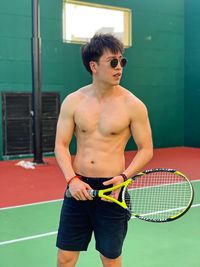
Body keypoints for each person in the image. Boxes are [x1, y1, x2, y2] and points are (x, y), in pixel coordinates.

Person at [55, 33, 153, 267]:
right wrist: (72, 180)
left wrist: (123, 179)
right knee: (65, 258)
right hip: (78, 187)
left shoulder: (133, 105)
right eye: (112, 62)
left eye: (122, 61)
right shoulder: (73, 101)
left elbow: (146, 149)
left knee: (110, 259)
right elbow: (61, 145)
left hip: (114, 190)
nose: (119, 67)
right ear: (93, 66)